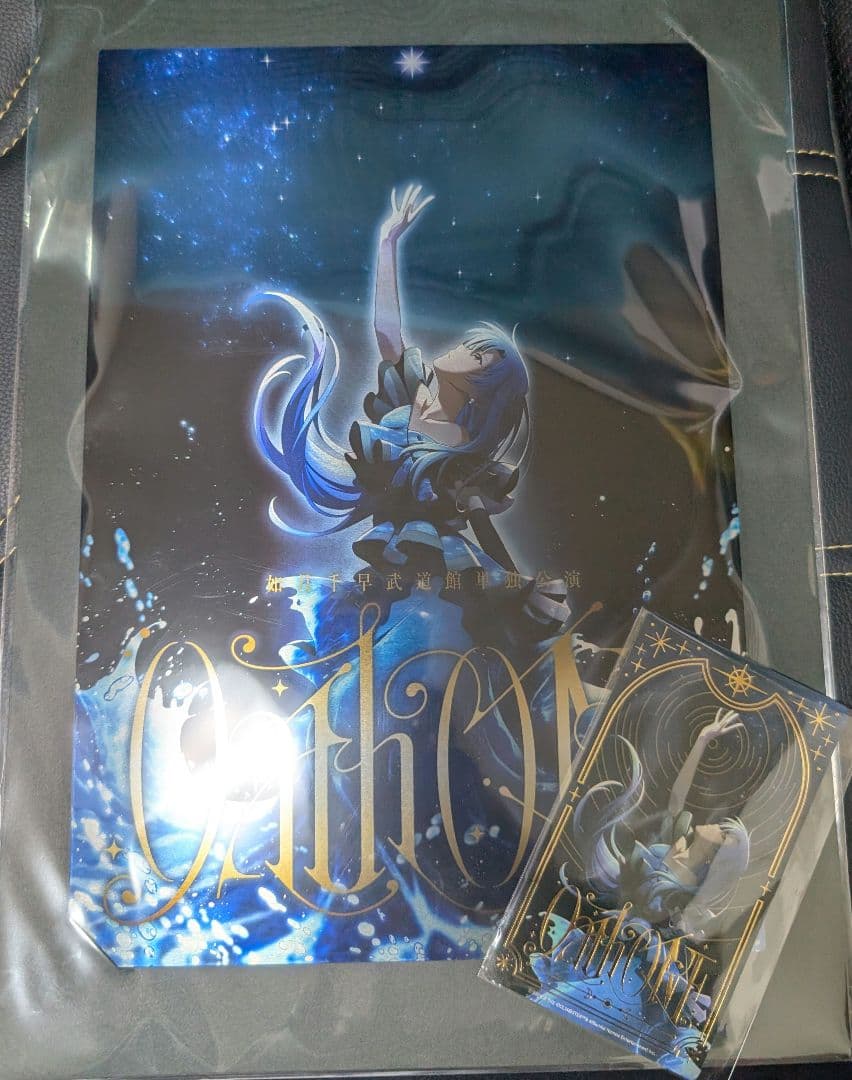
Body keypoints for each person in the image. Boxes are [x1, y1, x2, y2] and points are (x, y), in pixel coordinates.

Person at [253, 184, 569, 631]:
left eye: (480, 358)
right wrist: (387, 244)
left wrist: (518, 584)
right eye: (475, 345)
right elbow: (386, 332)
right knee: (364, 630)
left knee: (432, 634)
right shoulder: (411, 394)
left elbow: (482, 523)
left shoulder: (464, 450)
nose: (465, 349)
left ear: (483, 387)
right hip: (392, 566)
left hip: (440, 567)